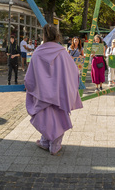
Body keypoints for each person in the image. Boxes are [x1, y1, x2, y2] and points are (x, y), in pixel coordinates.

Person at [25, 24, 83, 155]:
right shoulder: (62, 52)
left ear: (44, 36)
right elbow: (73, 70)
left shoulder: (38, 52)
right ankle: (53, 145)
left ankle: (46, 142)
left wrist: (31, 85)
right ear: (57, 36)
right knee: (59, 116)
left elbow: (31, 74)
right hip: (58, 92)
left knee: (45, 117)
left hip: (42, 92)